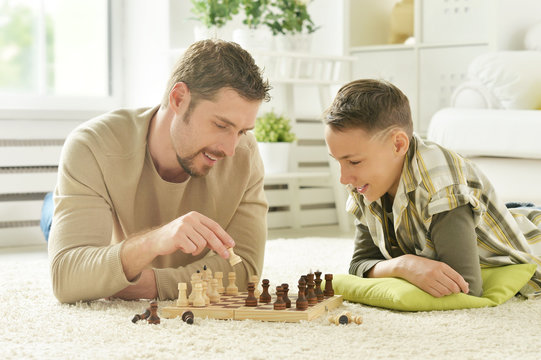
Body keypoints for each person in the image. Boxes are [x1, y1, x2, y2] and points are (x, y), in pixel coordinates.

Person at [48, 39, 271, 303]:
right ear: (178, 99)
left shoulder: (244, 154)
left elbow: (245, 270)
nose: (231, 149)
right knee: (51, 218)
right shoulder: (91, 145)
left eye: (242, 131)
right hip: (95, 209)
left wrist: (150, 284)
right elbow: (68, 278)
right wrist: (154, 241)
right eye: (221, 125)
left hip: (117, 247)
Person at [323, 79, 541, 298]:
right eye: (338, 161)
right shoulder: (365, 184)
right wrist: (403, 265)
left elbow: (466, 288)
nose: (344, 178)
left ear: (398, 145)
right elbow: (359, 265)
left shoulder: (441, 185)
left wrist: (391, 268)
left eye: (354, 162)